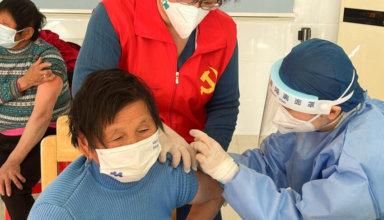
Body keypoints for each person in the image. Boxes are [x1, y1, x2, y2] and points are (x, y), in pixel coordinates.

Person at [72, 0, 239, 219]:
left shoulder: (224, 30)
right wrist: (158, 133)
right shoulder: (117, 13)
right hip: (129, 154)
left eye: (207, 2)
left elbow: (224, 105)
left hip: (190, 163)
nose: (195, 8)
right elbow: (87, 90)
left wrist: (206, 159)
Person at [190, 39, 384, 220]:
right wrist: (215, 162)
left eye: (290, 107)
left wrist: (230, 174)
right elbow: (269, 162)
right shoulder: (316, 124)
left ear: (331, 111)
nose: (279, 115)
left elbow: (299, 215)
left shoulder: (359, 164)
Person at [28, 68, 224, 220]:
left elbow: (220, 190)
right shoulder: (57, 212)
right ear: (85, 146)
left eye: (144, 130)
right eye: (118, 138)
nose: (135, 146)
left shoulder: (165, 171)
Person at [0, 0, 71, 219]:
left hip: (41, 136)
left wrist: (13, 161)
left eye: (3, 24)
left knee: (12, 187)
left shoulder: (46, 59)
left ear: (26, 32)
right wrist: (23, 83)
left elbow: (41, 117)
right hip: (3, 134)